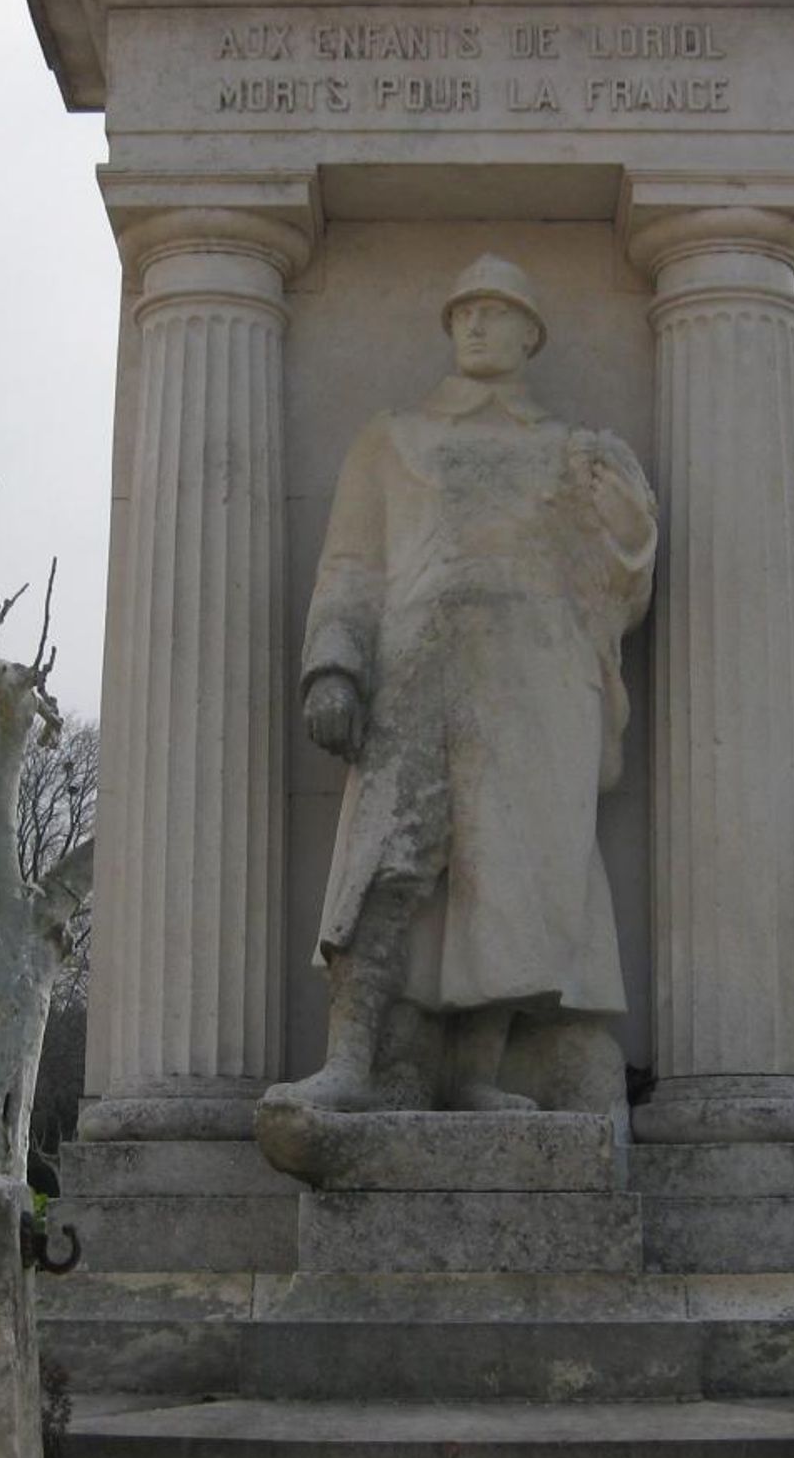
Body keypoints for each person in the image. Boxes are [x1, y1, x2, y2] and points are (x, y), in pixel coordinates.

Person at [268, 255, 656, 1113]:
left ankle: (479, 1071)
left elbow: (615, 589)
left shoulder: (574, 452)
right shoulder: (392, 439)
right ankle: (350, 1061)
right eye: (463, 312)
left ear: (531, 334)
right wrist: (334, 665)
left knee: (517, 880)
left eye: (496, 311)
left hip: (537, 682)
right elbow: (351, 565)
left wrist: (629, 526)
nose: (476, 324)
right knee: (385, 863)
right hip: (415, 669)